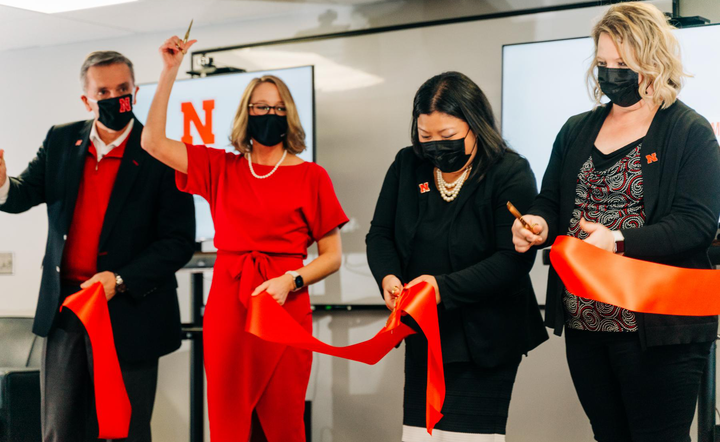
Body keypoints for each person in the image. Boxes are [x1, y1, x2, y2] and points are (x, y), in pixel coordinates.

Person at [511, 3, 720, 441]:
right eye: (603, 63)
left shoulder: (689, 131)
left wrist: (618, 240)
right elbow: (551, 202)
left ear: (654, 60)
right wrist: (538, 225)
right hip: (587, 323)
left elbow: (696, 223)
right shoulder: (575, 130)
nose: (610, 74)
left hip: (661, 326)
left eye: (622, 64)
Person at [140, 36, 348, 442]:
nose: (268, 114)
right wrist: (169, 73)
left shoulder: (312, 177)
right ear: (246, 114)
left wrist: (292, 280)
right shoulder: (222, 167)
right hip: (228, 306)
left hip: (285, 305)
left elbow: (332, 256)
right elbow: (152, 142)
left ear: (288, 115)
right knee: (227, 420)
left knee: (284, 422)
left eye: (276, 107)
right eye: (259, 107)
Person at [0, 51, 196, 442]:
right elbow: (23, 194)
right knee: (60, 429)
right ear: (86, 100)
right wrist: (2, 184)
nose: (115, 98)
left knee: (124, 430)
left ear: (136, 92)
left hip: (131, 311)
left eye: (123, 89)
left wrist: (120, 279)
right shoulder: (60, 140)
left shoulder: (162, 152)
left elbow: (178, 242)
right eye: (103, 91)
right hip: (68, 310)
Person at [366, 71, 548, 442]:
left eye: (447, 136)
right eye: (425, 136)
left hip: (487, 338)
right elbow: (380, 235)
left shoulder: (508, 171)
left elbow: (512, 261)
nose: (435, 146)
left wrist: (440, 288)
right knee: (420, 436)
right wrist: (388, 277)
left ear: (476, 126)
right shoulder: (407, 165)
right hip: (426, 334)